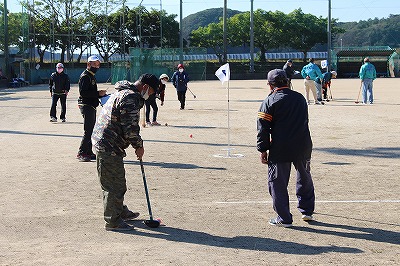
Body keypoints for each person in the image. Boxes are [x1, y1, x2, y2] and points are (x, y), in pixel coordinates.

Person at [91, 74, 160, 231]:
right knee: (113, 184)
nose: (150, 95)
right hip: (107, 144)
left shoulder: (125, 92)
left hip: (108, 142)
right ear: (145, 87)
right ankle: (113, 221)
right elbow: (130, 129)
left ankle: (119, 210)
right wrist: (138, 146)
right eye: (152, 92)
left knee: (117, 181)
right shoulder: (130, 98)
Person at [257, 69, 315, 227]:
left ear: (270, 85)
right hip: (303, 145)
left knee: (277, 182)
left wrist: (263, 149)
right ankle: (307, 211)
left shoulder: (269, 101)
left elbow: (263, 129)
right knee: (305, 177)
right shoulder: (300, 98)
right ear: (288, 82)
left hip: (280, 148)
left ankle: (284, 218)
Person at [77, 55, 107, 162]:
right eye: (94, 64)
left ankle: (88, 151)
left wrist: (100, 95)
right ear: (88, 64)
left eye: (98, 64)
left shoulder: (91, 75)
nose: (96, 66)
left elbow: (90, 92)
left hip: (91, 105)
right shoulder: (85, 76)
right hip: (86, 105)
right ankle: (82, 152)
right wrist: (98, 93)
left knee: (92, 129)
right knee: (88, 130)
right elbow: (83, 92)